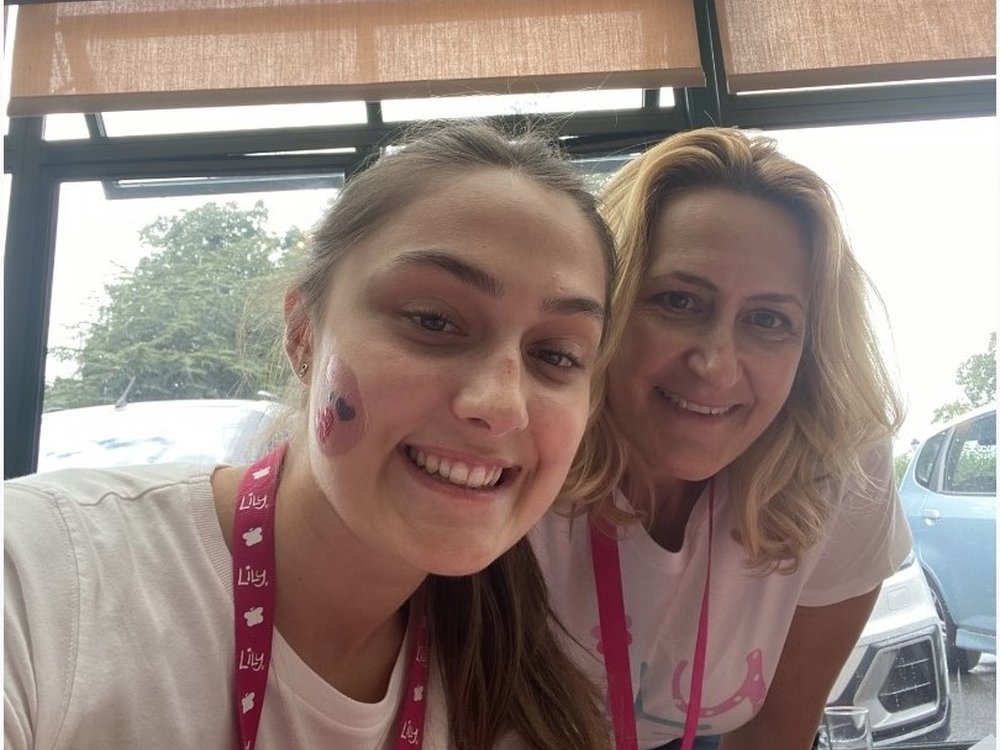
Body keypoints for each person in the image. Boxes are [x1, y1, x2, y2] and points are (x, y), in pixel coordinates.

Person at [4, 121, 620, 750]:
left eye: (558, 354)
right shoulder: (42, 576)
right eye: (433, 320)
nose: (499, 405)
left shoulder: (515, 692)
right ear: (303, 335)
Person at [532, 127, 911, 750]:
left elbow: (773, 733)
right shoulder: (513, 443)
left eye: (768, 320)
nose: (715, 364)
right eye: (678, 301)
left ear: (810, 350)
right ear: (607, 304)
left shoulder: (840, 466)